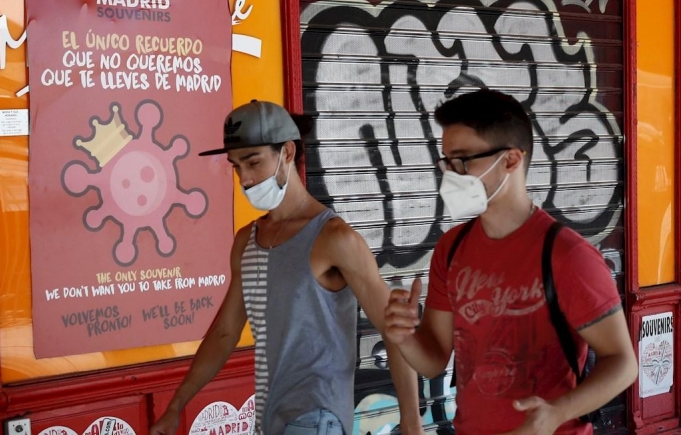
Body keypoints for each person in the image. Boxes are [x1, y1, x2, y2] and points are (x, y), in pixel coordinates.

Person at [149, 100, 425, 435]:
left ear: (288, 153)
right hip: (268, 420)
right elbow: (225, 333)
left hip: (315, 419)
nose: (246, 179)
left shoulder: (333, 237)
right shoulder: (246, 241)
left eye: (253, 162)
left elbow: (393, 330)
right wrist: (177, 405)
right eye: (236, 166)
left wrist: (412, 422)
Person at [383, 89, 637, 435]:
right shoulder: (451, 249)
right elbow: (434, 360)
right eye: (446, 162)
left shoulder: (567, 256)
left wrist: (556, 413)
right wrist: (405, 336)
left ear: (511, 160)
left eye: (462, 161)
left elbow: (623, 364)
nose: (451, 174)